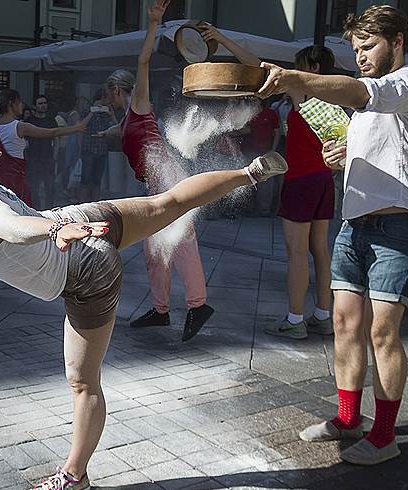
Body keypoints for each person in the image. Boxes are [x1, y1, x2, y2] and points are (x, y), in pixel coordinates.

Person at [0, 107, 285, 490]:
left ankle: (74, 476)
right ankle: (250, 173)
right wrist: (50, 216)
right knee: (166, 203)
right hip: (82, 220)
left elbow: (11, 226)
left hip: (84, 266)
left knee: (83, 382)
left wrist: (53, 229)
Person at [259, 5, 408, 465]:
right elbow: (368, 145)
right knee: (343, 324)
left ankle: (384, 435)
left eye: (369, 46)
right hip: (355, 223)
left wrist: (295, 79)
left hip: (400, 225)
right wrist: (341, 157)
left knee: (382, 332)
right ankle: (346, 418)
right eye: (355, 49)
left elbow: (364, 93)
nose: (359, 56)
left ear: (397, 42)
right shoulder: (362, 109)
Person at [202, 28, 337, 339]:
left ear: (313, 68)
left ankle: (295, 319)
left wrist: (221, 40)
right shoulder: (334, 94)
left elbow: (258, 66)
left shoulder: (303, 91)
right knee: (320, 250)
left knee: (297, 253)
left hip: (302, 180)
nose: (294, 71)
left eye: (300, 65)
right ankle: (323, 315)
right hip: (324, 180)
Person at [102, 1, 215, 342]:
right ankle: (160, 309)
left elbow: (143, 61)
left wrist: (154, 23)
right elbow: (128, 138)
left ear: (117, 91)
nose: (105, 98)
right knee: (156, 248)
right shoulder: (123, 120)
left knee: (180, 240)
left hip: (169, 175)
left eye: (107, 93)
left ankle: (198, 306)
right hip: (156, 181)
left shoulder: (138, 103)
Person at [0, 89, 90, 207]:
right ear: (11, 104)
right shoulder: (20, 126)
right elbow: (52, 133)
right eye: (19, 102)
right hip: (16, 180)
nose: (22, 105)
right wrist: (76, 128)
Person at [80, 90, 116, 204]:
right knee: (85, 179)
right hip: (88, 150)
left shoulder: (107, 114)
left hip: (101, 151)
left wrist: (111, 114)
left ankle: (94, 204)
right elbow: (81, 126)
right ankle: (82, 204)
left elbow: (117, 128)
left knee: (97, 180)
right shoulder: (87, 111)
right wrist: (92, 112)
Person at [26, 95, 61, 208]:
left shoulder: (51, 120)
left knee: (50, 187)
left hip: (48, 158)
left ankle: (49, 210)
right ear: (34, 106)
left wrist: (55, 156)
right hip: (33, 158)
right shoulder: (29, 121)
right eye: (40, 103)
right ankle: (36, 210)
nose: (43, 106)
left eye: (44, 103)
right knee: (34, 188)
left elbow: (56, 138)